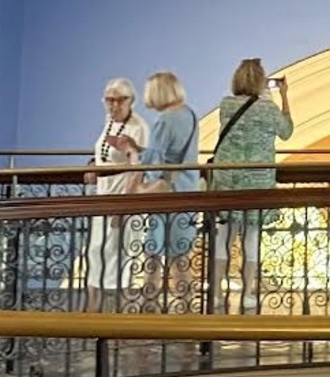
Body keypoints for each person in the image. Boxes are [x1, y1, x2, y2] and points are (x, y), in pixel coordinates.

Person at [208, 57, 293, 314]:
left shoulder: (226, 105)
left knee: (225, 237)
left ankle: (216, 293)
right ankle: (247, 294)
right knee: (252, 238)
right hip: (257, 184)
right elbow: (286, 131)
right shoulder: (268, 109)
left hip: (227, 181)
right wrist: (283, 96)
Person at [109, 71, 199, 313]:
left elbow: (155, 161)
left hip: (164, 193)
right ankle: (186, 303)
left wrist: (132, 151)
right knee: (180, 254)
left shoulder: (165, 121)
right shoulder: (189, 114)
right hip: (187, 189)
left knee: (153, 251)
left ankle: (150, 301)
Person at [83, 77, 149, 312]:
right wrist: (93, 165)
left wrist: (124, 206)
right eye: (109, 100)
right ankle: (93, 306)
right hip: (103, 196)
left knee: (120, 255)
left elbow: (138, 168)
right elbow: (104, 153)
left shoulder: (138, 128)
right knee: (96, 250)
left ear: (130, 101)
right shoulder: (109, 122)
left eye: (119, 100)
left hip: (122, 197)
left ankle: (122, 310)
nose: (114, 105)